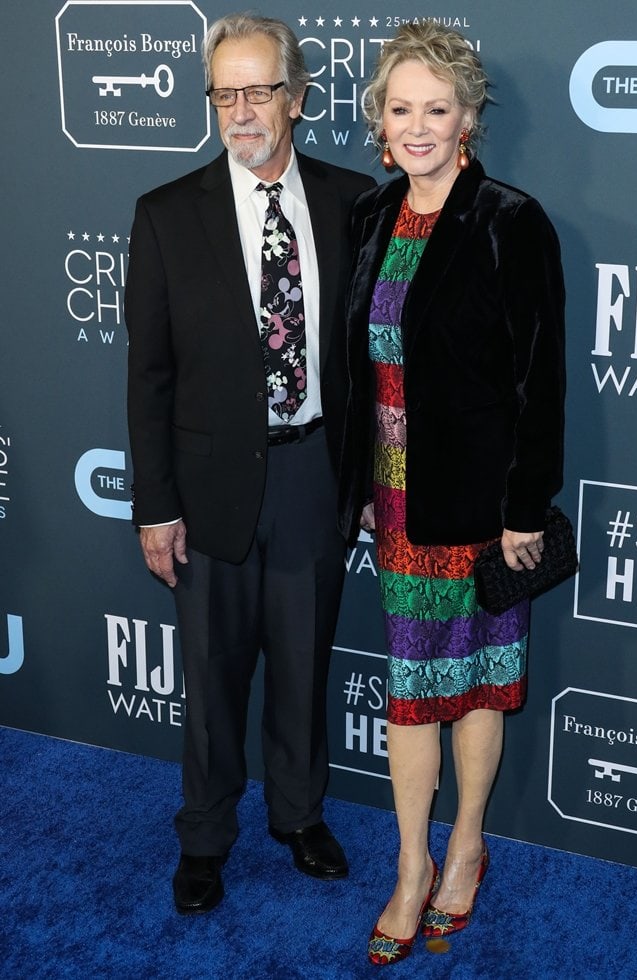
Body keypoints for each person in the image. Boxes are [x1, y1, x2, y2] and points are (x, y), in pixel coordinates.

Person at [125, 13, 374, 915]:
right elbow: (147, 375)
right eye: (223, 93)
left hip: (315, 474)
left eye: (258, 90)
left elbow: (377, 356)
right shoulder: (164, 215)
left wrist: (374, 482)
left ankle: (299, 816)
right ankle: (205, 835)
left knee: (305, 665)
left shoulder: (356, 202)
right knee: (211, 672)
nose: (240, 110)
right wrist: (155, 505)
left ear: (297, 98)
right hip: (206, 485)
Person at [338, 22, 566, 966]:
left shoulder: (512, 220)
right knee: (409, 694)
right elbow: (361, 374)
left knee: (472, 690)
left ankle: (465, 849)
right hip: (392, 507)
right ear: (379, 122)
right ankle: (407, 865)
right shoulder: (371, 215)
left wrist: (522, 508)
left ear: (468, 118)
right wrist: (359, 482)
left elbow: (538, 378)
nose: (418, 126)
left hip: (477, 513)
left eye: (438, 108)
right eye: (401, 109)